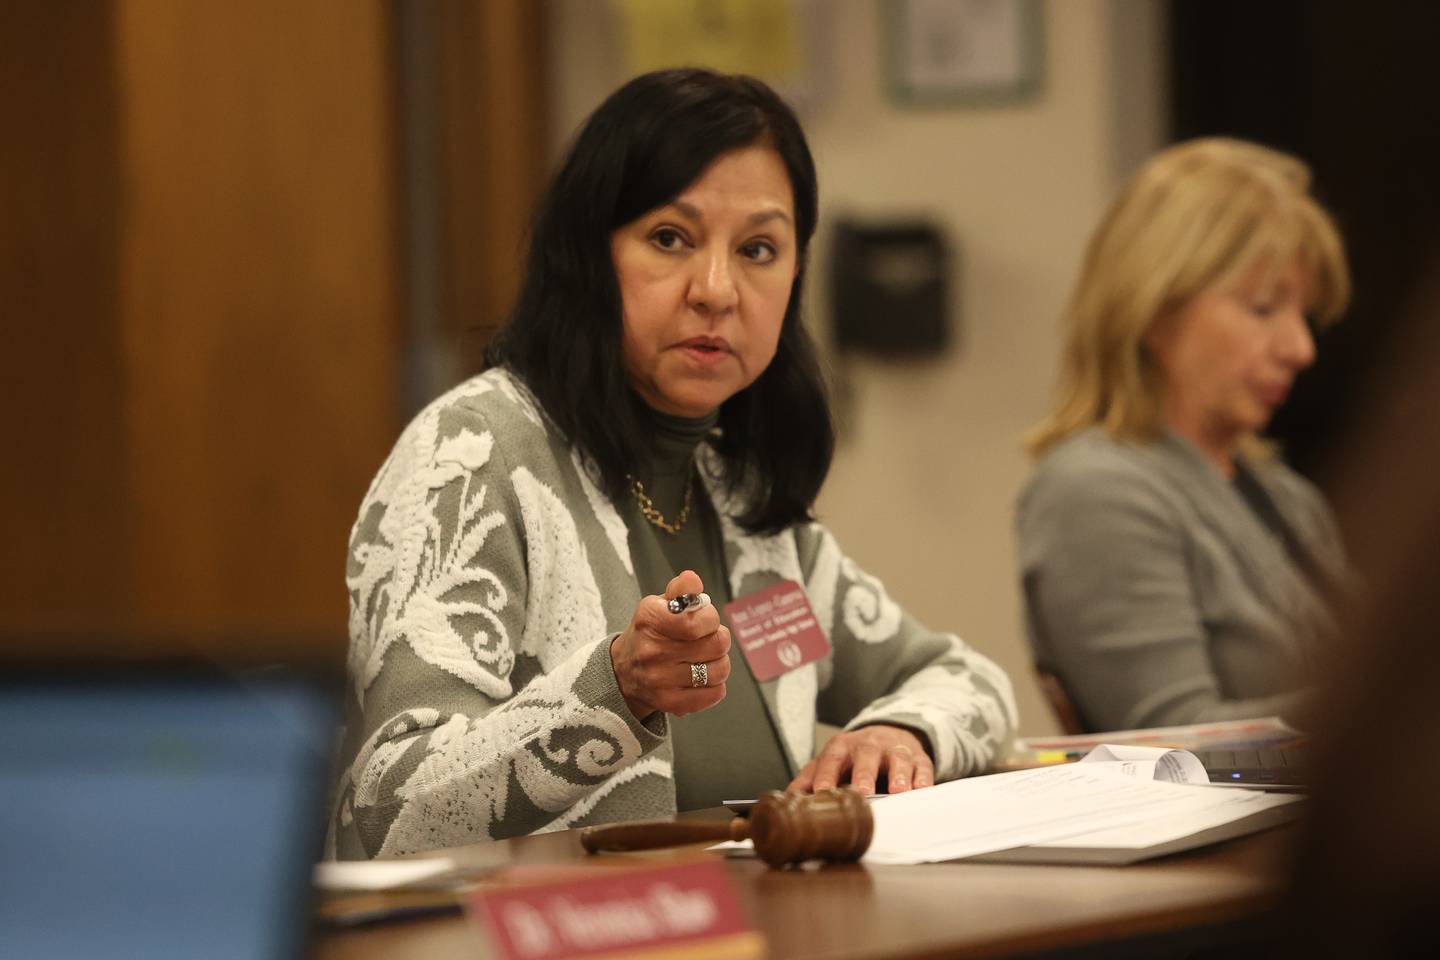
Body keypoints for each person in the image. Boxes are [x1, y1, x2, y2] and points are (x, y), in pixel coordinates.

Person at [328, 68, 1016, 859]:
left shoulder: (739, 498)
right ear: (588, 254)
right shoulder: (473, 455)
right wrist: (612, 690)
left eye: (759, 249)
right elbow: (384, 806)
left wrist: (901, 728)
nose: (718, 290)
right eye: (669, 239)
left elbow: (969, 678)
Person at [1015, 137, 1350, 733]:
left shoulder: (1287, 496)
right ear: (1155, 312)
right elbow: (1166, 737)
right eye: (1265, 308)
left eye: (1305, 315)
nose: (1301, 349)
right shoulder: (1095, 492)